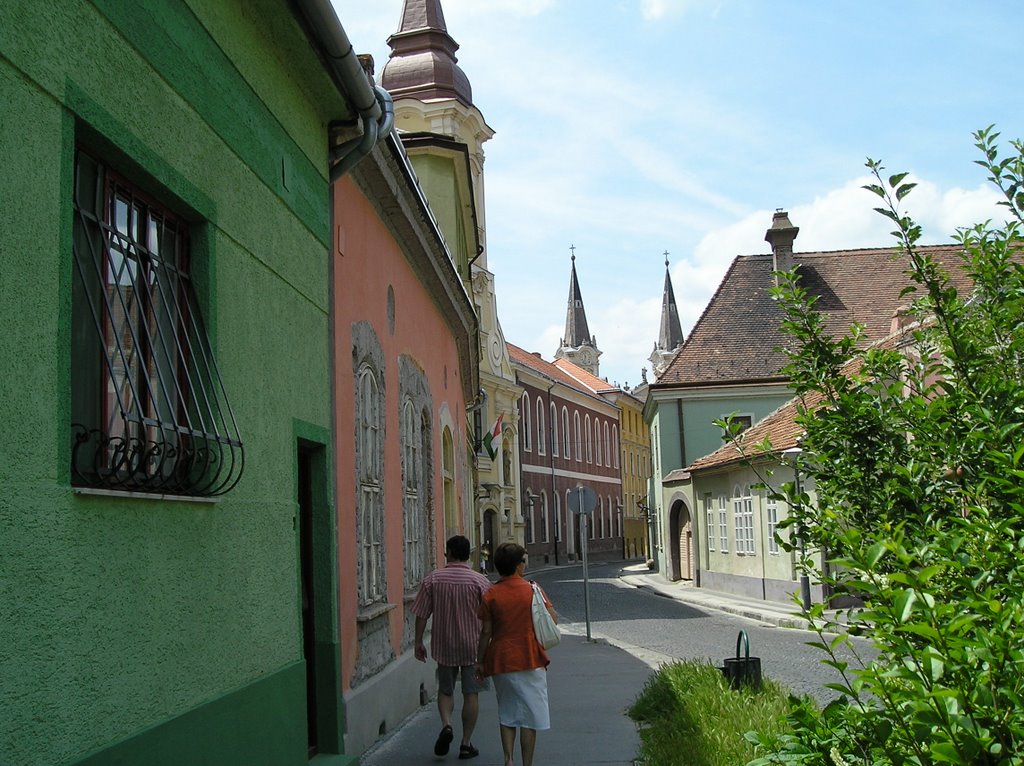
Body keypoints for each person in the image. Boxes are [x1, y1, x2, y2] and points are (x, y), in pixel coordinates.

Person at [474, 543, 557, 766]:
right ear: (518, 565)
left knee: (507, 711)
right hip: (530, 657)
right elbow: (552, 619)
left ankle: (508, 758)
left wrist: (480, 661)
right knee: (530, 716)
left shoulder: (491, 594)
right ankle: (526, 763)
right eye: (524, 560)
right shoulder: (532, 590)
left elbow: (486, 632)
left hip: (501, 659)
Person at [412, 535, 492, 760]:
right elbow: (490, 618)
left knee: (445, 690)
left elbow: (421, 614)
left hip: (444, 644)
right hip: (474, 647)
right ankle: (466, 743)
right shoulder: (480, 581)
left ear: (449, 552)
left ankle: (447, 724)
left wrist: (418, 642)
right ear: (468, 554)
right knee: (471, 693)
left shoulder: (433, 579)